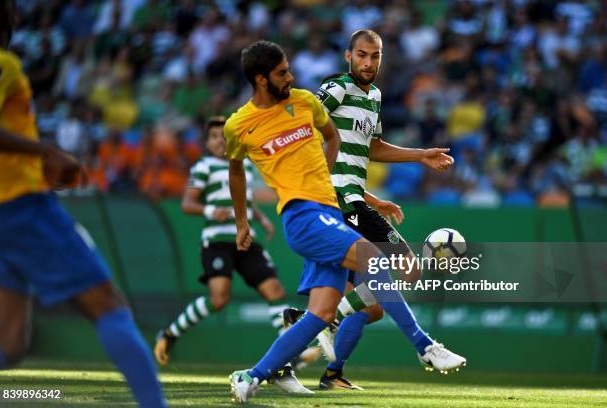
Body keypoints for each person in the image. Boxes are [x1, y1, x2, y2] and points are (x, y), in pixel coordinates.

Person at [224, 40, 465, 404]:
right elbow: (237, 172)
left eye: (289, 69)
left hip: (329, 211)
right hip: (302, 215)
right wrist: (242, 222)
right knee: (377, 261)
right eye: (282, 73)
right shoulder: (238, 125)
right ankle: (424, 345)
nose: (291, 76)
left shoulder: (304, 102)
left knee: (319, 314)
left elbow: (333, 138)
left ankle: (252, 375)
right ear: (260, 80)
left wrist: (339, 184)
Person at [0, 2, 165, 407]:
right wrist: (45, 151)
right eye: (9, 9)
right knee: (108, 305)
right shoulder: (2, 63)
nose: (17, 17)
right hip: (18, 208)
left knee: (10, 342)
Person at [304, 29, 461, 390]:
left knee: (371, 305)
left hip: (355, 198)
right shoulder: (337, 88)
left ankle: (331, 370)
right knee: (407, 267)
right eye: (361, 55)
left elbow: (369, 149)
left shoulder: (373, 96)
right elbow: (305, 122)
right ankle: (425, 346)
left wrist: (419, 156)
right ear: (348, 56)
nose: (368, 62)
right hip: (338, 201)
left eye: (375, 56)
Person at [153, 116, 319, 393]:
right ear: (207, 143)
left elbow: (244, 201)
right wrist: (210, 212)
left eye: (224, 137)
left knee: (274, 290)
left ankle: (290, 355)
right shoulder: (202, 167)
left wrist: (261, 219)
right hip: (217, 241)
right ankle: (169, 333)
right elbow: (187, 203)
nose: (220, 141)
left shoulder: (244, 166)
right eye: (214, 137)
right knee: (219, 299)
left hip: (245, 239)